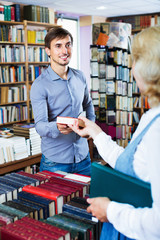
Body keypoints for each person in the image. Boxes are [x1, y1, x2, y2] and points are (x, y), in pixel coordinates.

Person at [69, 26, 160, 240]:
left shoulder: (158, 129)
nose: (132, 69)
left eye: (135, 61)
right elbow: (130, 163)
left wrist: (110, 211)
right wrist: (96, 133)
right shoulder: (151, 116)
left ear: (150, 68)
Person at [30, 27, 95, 176]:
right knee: (57, 200)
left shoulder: (80, 76)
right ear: (48, 50)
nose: (64, 51)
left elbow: (88, 104)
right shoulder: (39, 85)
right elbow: (40, 126)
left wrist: (90, 126)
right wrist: (56, 127)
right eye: (58, 46)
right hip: (55, 161)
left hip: (83, 157)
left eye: (68, 44)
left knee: (86, 198)